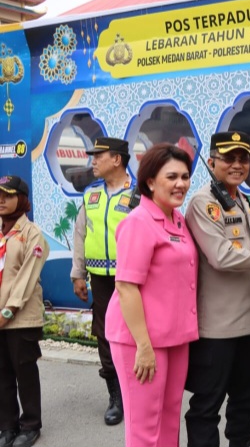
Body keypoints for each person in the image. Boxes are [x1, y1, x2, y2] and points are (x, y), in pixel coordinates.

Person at [184, 131, 250, 447]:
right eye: (229, 158)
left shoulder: (240, 199)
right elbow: (222, 256)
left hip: (249, 328)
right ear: (212, 161)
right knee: (206, 406)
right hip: (218, 330)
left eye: (243, 159)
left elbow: (246, 247)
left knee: (245, 402)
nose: (237, 165)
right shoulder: (204, 203)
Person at [104, 144, 198, 447]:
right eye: (171, 177)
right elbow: (126, 286)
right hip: (140, 339)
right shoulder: (138, 222)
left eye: (185, 176)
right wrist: (143, 346)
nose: (180, 184)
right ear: (151, 182)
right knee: (144, 428)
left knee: (169, 419)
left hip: (175, 337)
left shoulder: (177, 219)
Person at [70, 136, 135, 426]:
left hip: (132, 280)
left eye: (99, 156)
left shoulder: (139, 194)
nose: (93, 161)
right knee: (104, 335)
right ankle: (116, 397)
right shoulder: (91, 194)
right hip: (100, 280)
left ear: (117, 159)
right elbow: (80, 234)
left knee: (134, 334)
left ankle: (137, 392)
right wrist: (78, 274)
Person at [0, 176, 49, 447]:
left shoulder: (32, 233)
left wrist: (8, 311)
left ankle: (30, 425)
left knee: (24, 372)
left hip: (20, 318)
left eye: (7, 195)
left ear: (21, 199)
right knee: (2, 373)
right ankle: (7, 425)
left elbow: (28, 276)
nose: (1, 200)